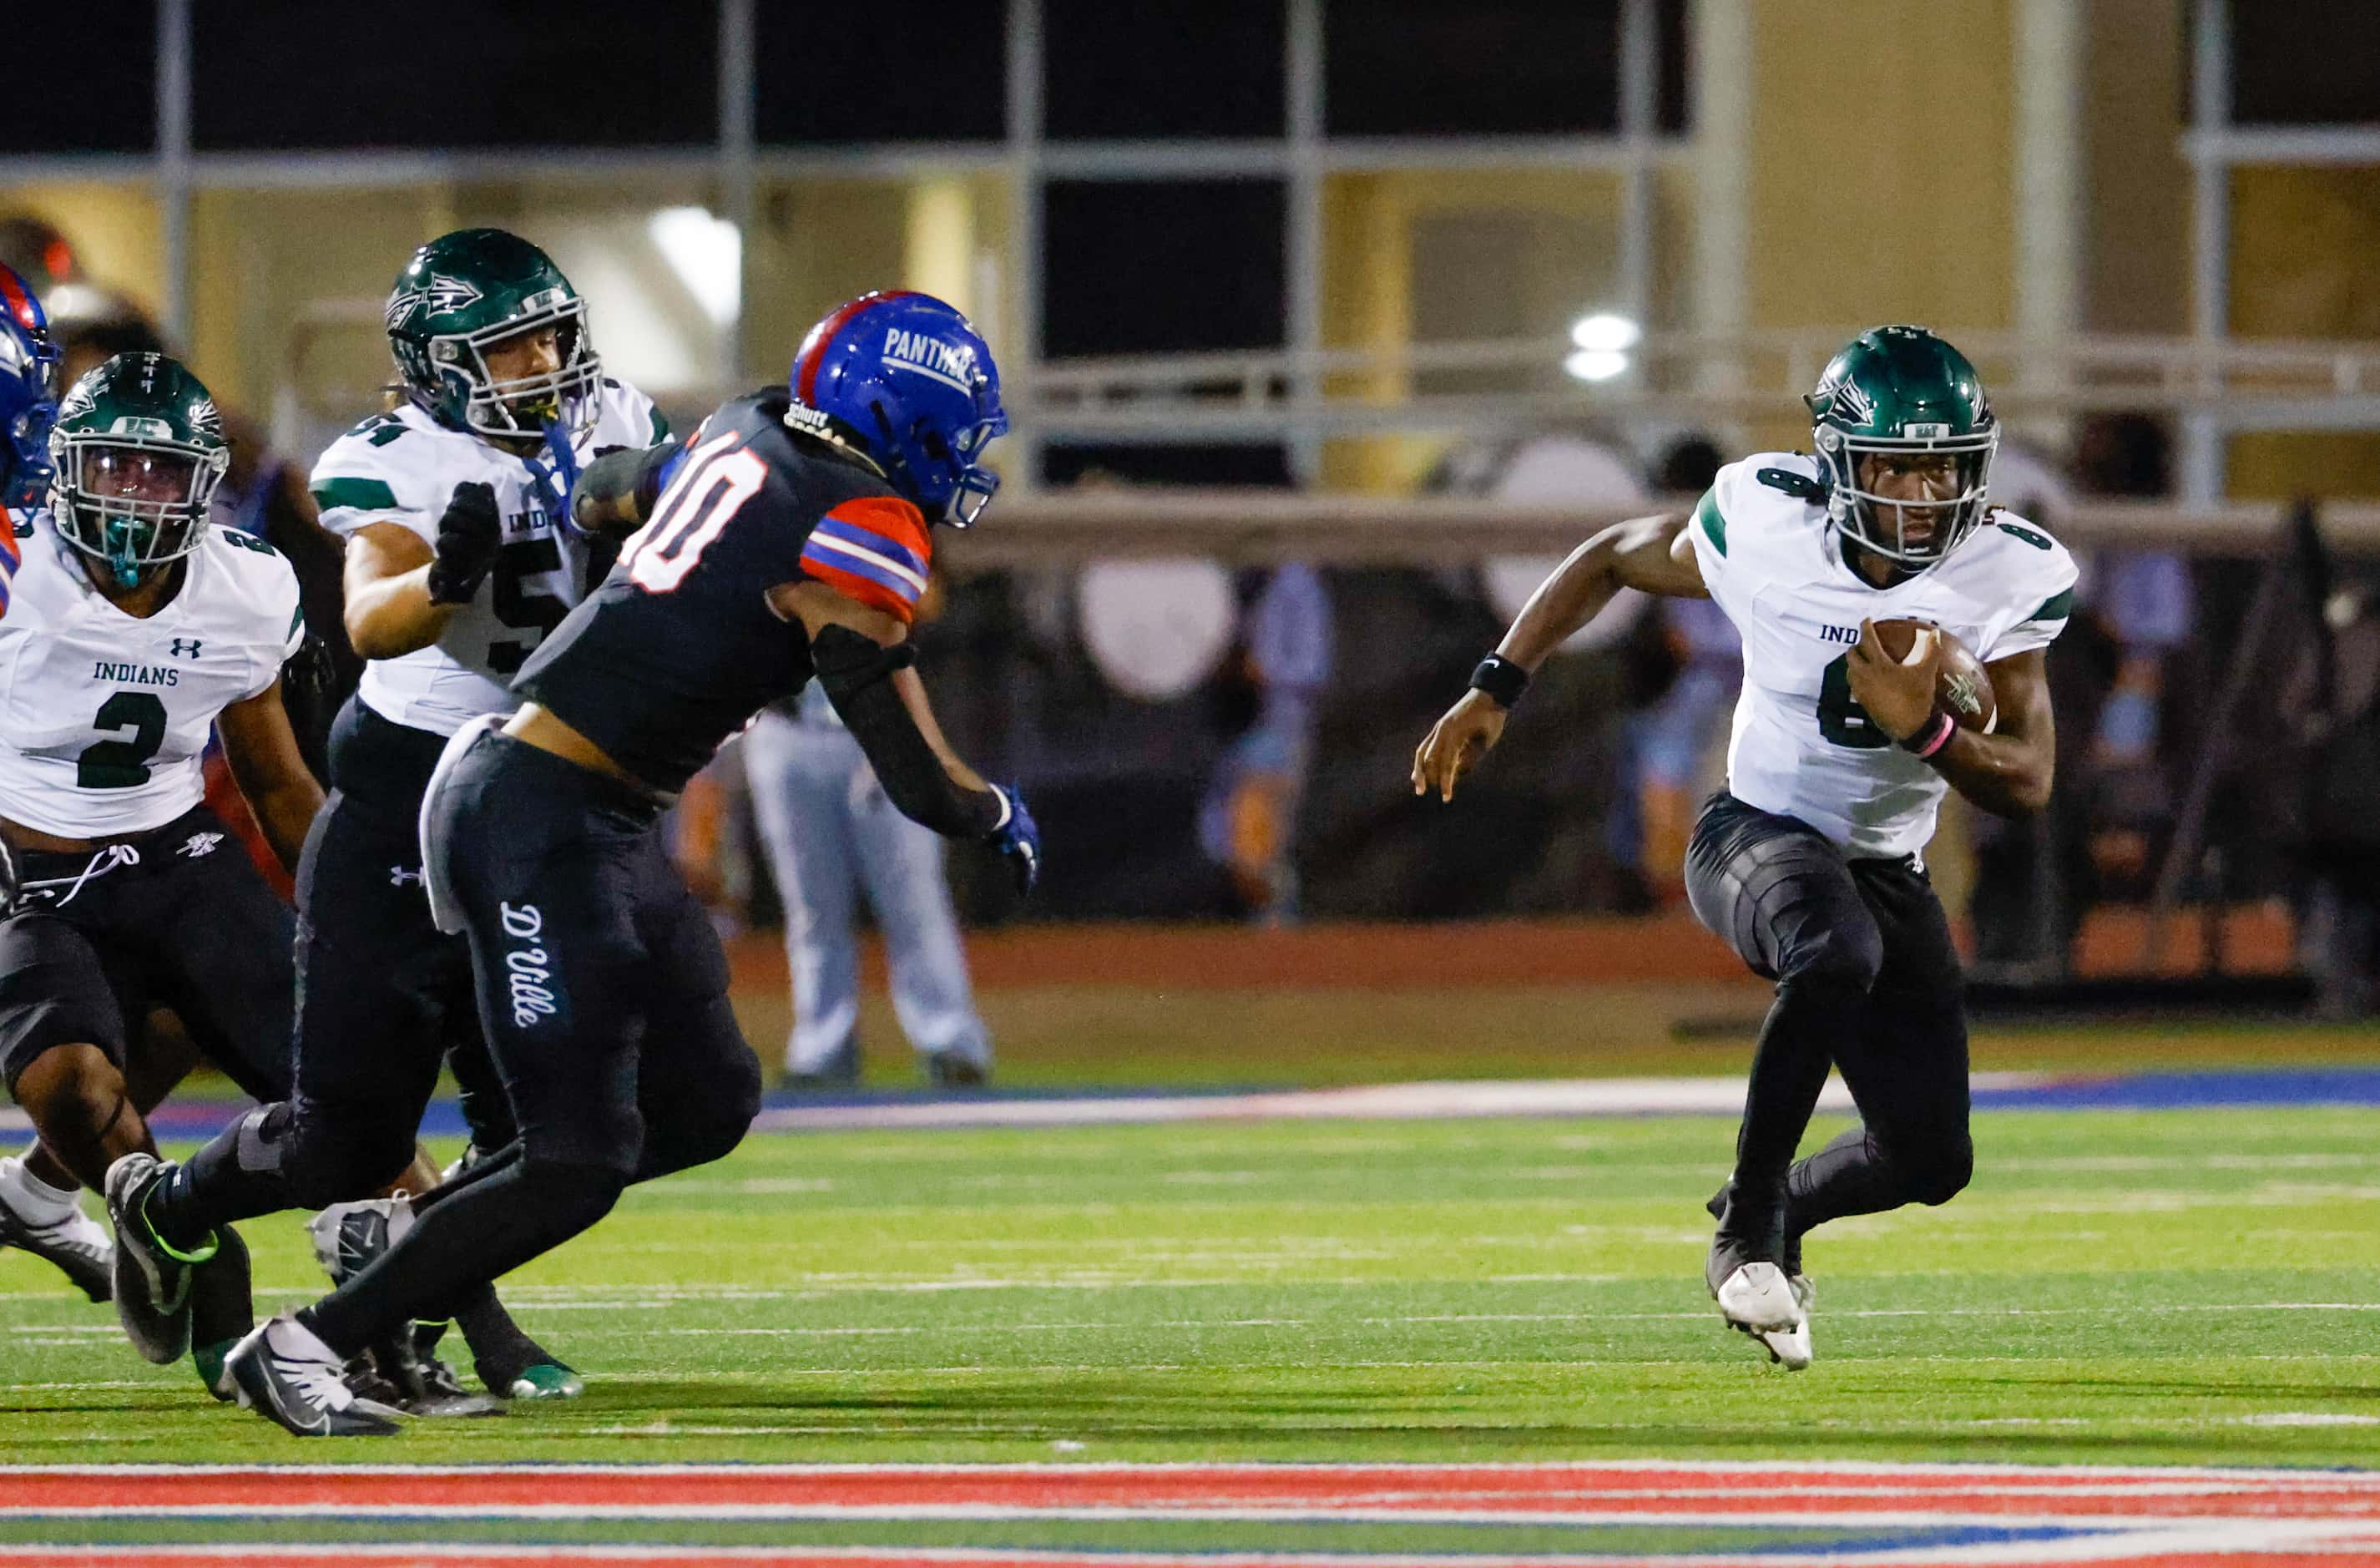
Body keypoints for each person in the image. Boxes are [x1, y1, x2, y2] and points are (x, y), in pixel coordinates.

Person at [209, 288, 1040, 1437]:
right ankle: (306, 1342)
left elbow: (611, 490)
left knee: (703, 1099)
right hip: (541, 811)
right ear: (898, 410)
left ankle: (415, 1238)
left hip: (569, 800)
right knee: (573, 1154)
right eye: (953, 431)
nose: (959, 460)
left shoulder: (750, 422)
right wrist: (991, 806)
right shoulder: (862, 523)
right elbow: (911, 770)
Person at [1413, 326, 2074, 1370]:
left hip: (1886, 867)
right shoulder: (1766, 521)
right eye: (1895, 466)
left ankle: (1772, 1211)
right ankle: (1745, 1233)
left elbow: (2030, 779)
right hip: (1754, 832)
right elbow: (1609, 557)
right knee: (1834, 952)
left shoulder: (2005, 573)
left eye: (1942, 464)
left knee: (1930, 1159)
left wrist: (1929, 730)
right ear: (1837, 466)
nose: (1921, 494)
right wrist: (1494, 686)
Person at [109, 229, 650, 1406]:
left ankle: (458, 1323)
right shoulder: (392, 458)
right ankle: (172, 1205)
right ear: (444, 364)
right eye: (513, 350)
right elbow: (370, 615)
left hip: (543, 790)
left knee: (537, 1101)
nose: (546, 365)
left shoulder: (615, 418)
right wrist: (446, 582)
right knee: (343, 1138)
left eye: (554, 337)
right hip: (407, 796)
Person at [0, 348, 324, 1396]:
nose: (132, 498)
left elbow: (276, 778)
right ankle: (169, 1244)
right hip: (27, 865)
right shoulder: (16, 567)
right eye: (112, 468)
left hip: (170, 852)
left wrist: (355, 907)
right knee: (74, 1075)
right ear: (62, 470)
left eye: (157, 473)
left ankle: (451, 1307)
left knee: (320, 1069)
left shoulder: (245, 582)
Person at [745, 638, 997, 1091]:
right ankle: (822, 1046)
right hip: (787, 725)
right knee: (812, 907)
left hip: (879, 722)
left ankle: (950, 1040)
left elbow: (928, 596)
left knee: (914, 898)